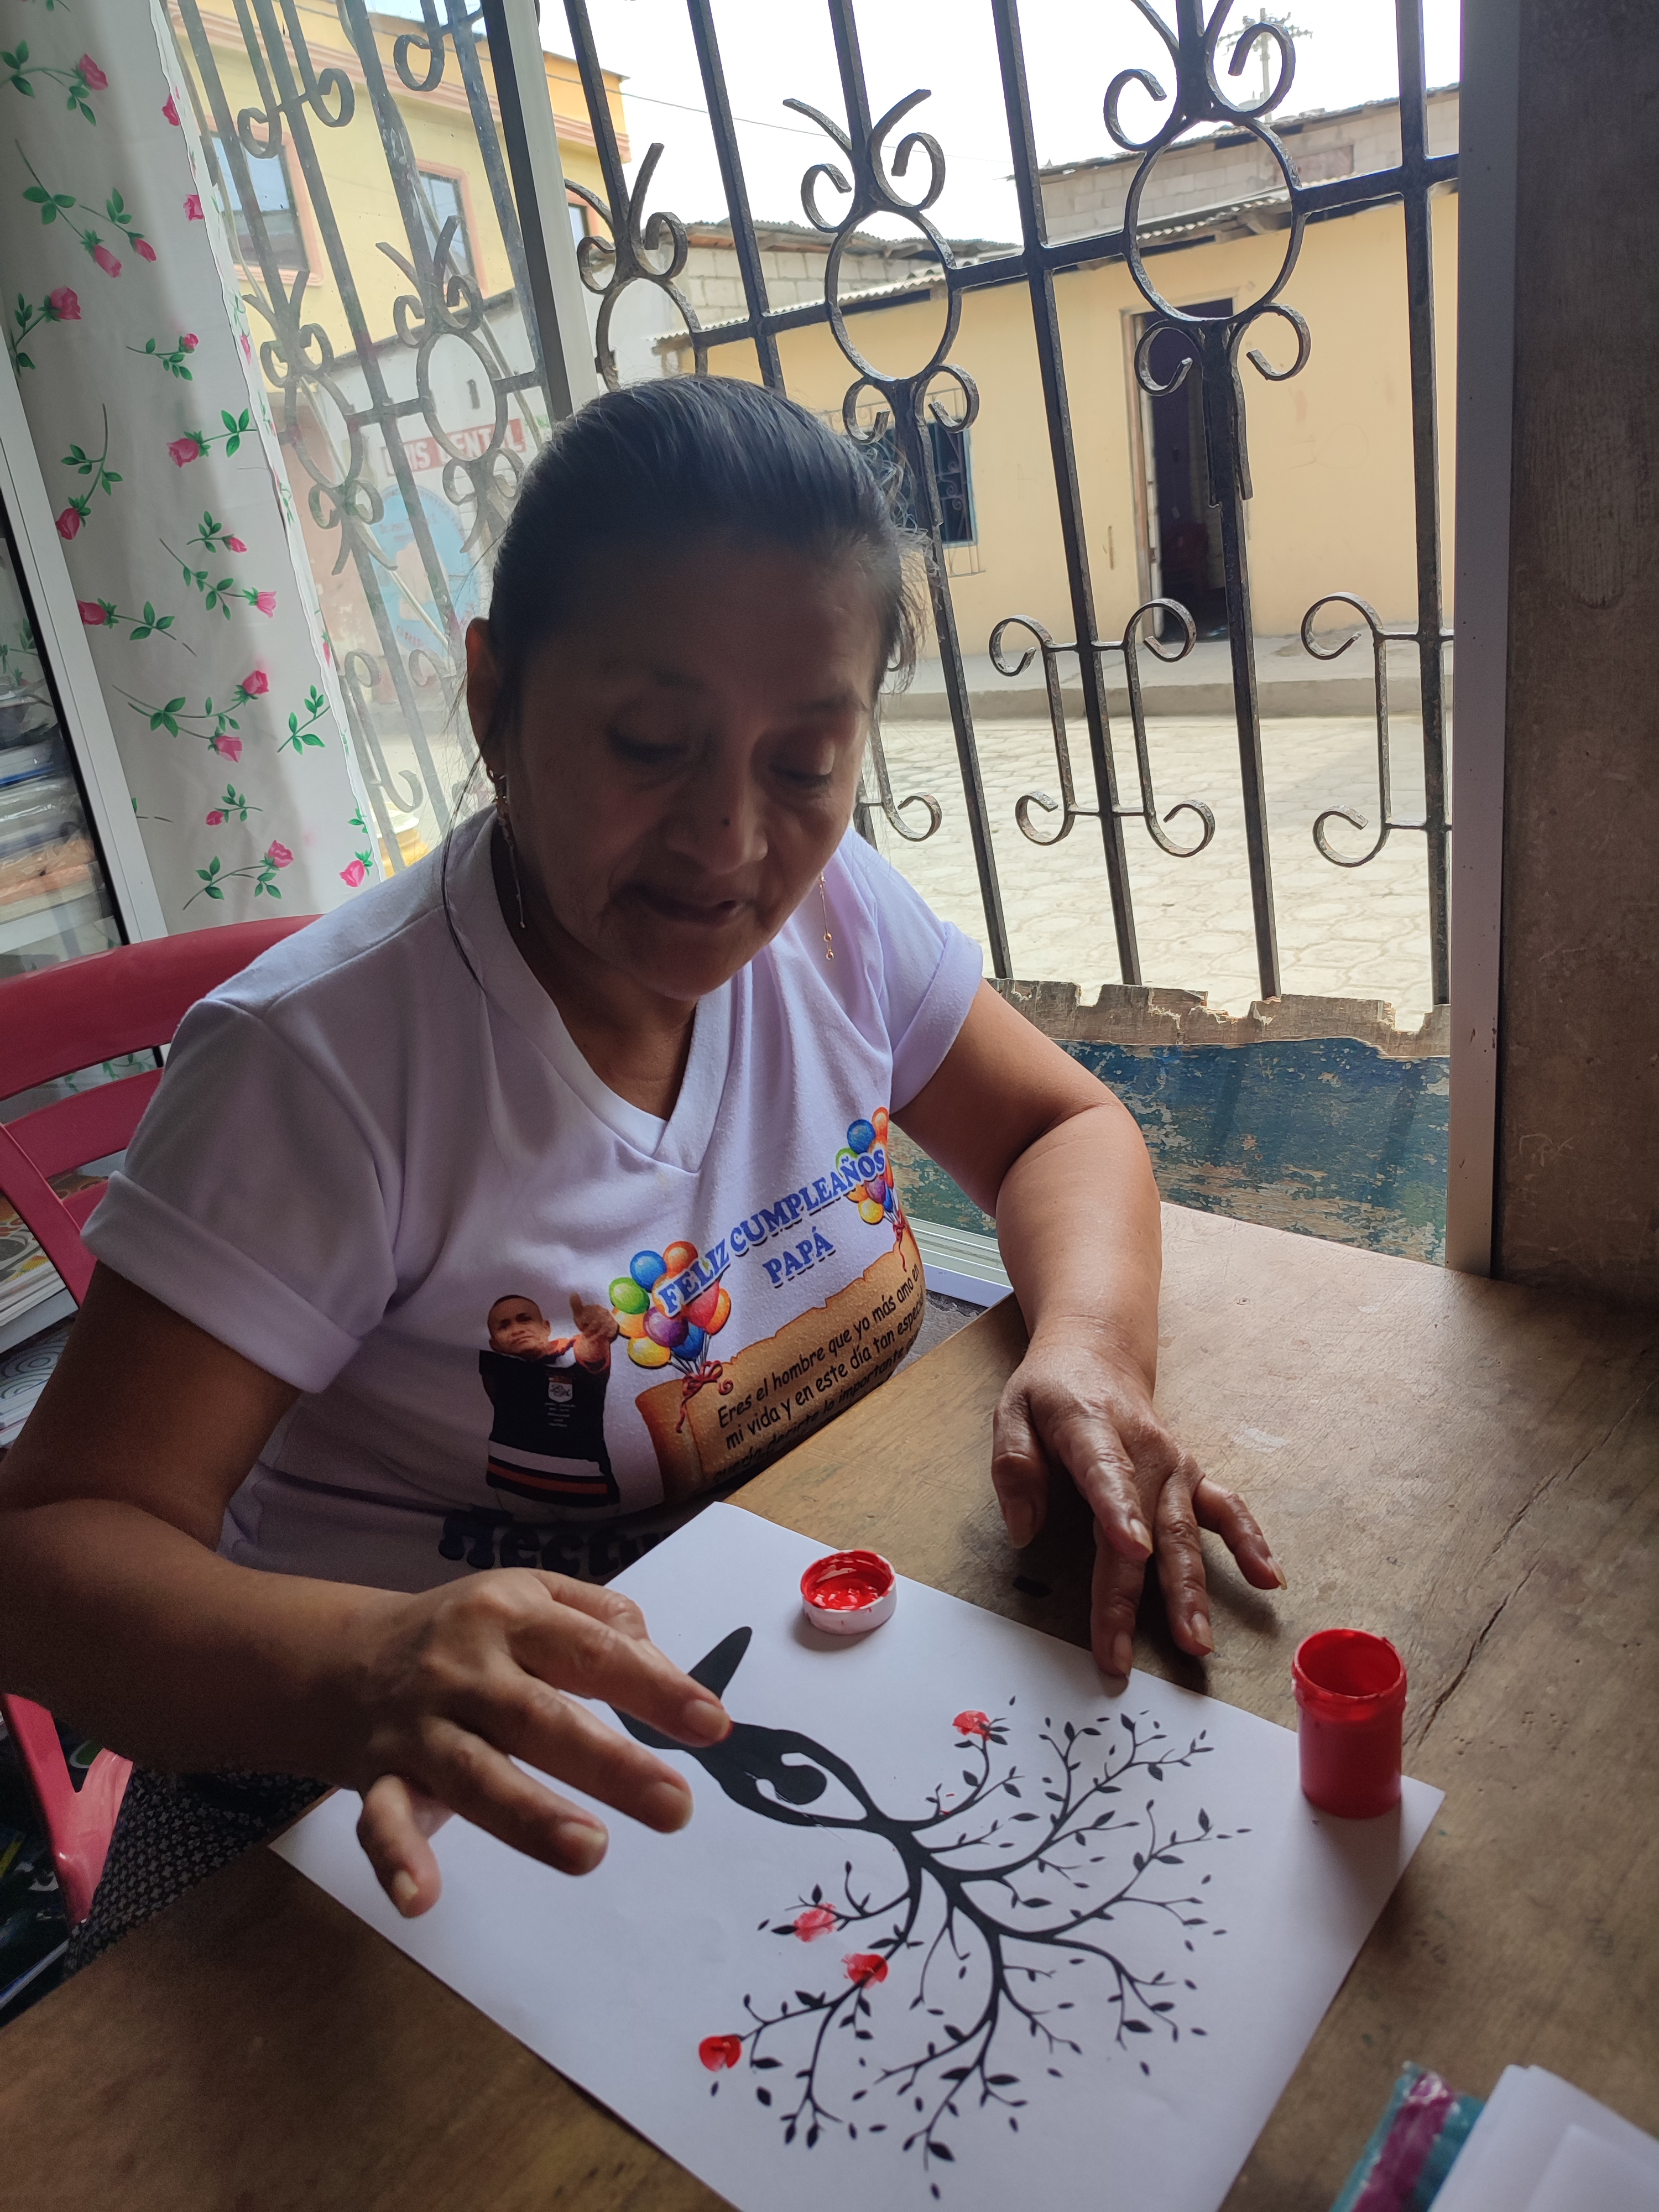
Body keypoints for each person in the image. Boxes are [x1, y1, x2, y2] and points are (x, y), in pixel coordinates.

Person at [0, 378, 1281, 1965]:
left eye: (805, 762)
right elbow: (49, 1559)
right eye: (650, 743)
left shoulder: (837, 919)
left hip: (748, 1676)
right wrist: (362, 1667)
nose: (728, 839)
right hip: (349, 1796)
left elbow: (1056, 1129)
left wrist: (1086, 1348)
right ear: (492, 698)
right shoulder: (320, 1072)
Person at [479, 1292, 621, 1514]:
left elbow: (592, 1350)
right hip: (508, 1484)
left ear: (547, 1327)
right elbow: (496, 1397)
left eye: (525, 1319)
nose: (517, 1329)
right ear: (494, 1344)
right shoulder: (493, 1362)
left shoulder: (572, 1352)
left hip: (585, 1490)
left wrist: (597, 1333)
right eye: (504, 1326)